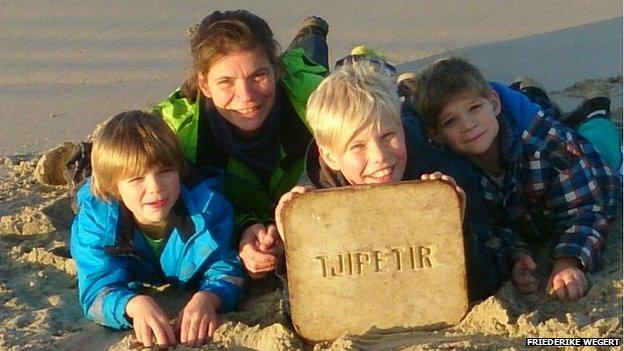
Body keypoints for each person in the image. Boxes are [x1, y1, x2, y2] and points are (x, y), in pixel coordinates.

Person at [275, 58, 513, 312]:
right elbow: (302, 311)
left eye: (388, 136)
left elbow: (488, 280)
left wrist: (457, 226)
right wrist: (292, 248)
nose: (381, 157)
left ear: (399, 129)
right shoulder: (314, 198)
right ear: (330, 156)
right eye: (358, 146)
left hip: (415, 126)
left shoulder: (438, 174)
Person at [409, 57, 622, 302]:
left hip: (594, 173)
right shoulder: (453, 169)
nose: (468, 125)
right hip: (531, 212)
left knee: (601, 143)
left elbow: (586, 210)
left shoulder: (547, 147)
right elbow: (491, 223)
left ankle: (596, 108)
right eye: (450, 121)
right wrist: (516, 254)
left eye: (474, 108)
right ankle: (531, 92)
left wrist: (568, 262)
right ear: (436, 135)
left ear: (493, 103)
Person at [70, 111, 246, 348]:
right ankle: (79, 158)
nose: (155, 188)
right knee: (83, 185)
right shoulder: (95, 220)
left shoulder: (208, 207)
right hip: (97, 191)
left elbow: (226, 265)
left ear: (178, 171)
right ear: (116, 188)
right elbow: (95, 288)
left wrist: (209, 297)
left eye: (165, 171)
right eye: (136, 179)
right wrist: (131, 304)